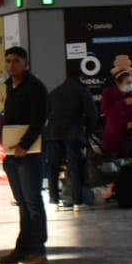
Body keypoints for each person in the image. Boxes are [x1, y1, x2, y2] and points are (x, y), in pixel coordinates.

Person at [0, 47, 50, 264]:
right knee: (22, 203)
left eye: (16, 61)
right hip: (12, 153)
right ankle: (23, 248)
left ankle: (38, 250)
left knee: (32, 201)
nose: (11, 65)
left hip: (29, 153)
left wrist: (24, 145)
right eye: (8, 61)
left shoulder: (35, 88)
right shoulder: (10, 87)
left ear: (26, 63)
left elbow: (39, 120)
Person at [45, 68, 98, 211]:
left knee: (53, 167)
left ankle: (53, 200)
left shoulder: (54, 92)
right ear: (81, 77)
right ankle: (76, 201)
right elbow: (92, 114)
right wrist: (88, 132)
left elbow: (46, 113)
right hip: (73, 132)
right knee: (75, 166)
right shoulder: (82, 91)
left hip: (53, 133)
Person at [101, 66, 132, 162]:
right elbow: (107, 112)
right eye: (128, 83)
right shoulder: (108, 93)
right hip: (114, 137)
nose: (131, 85)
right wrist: (122, 103)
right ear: (118, 83)